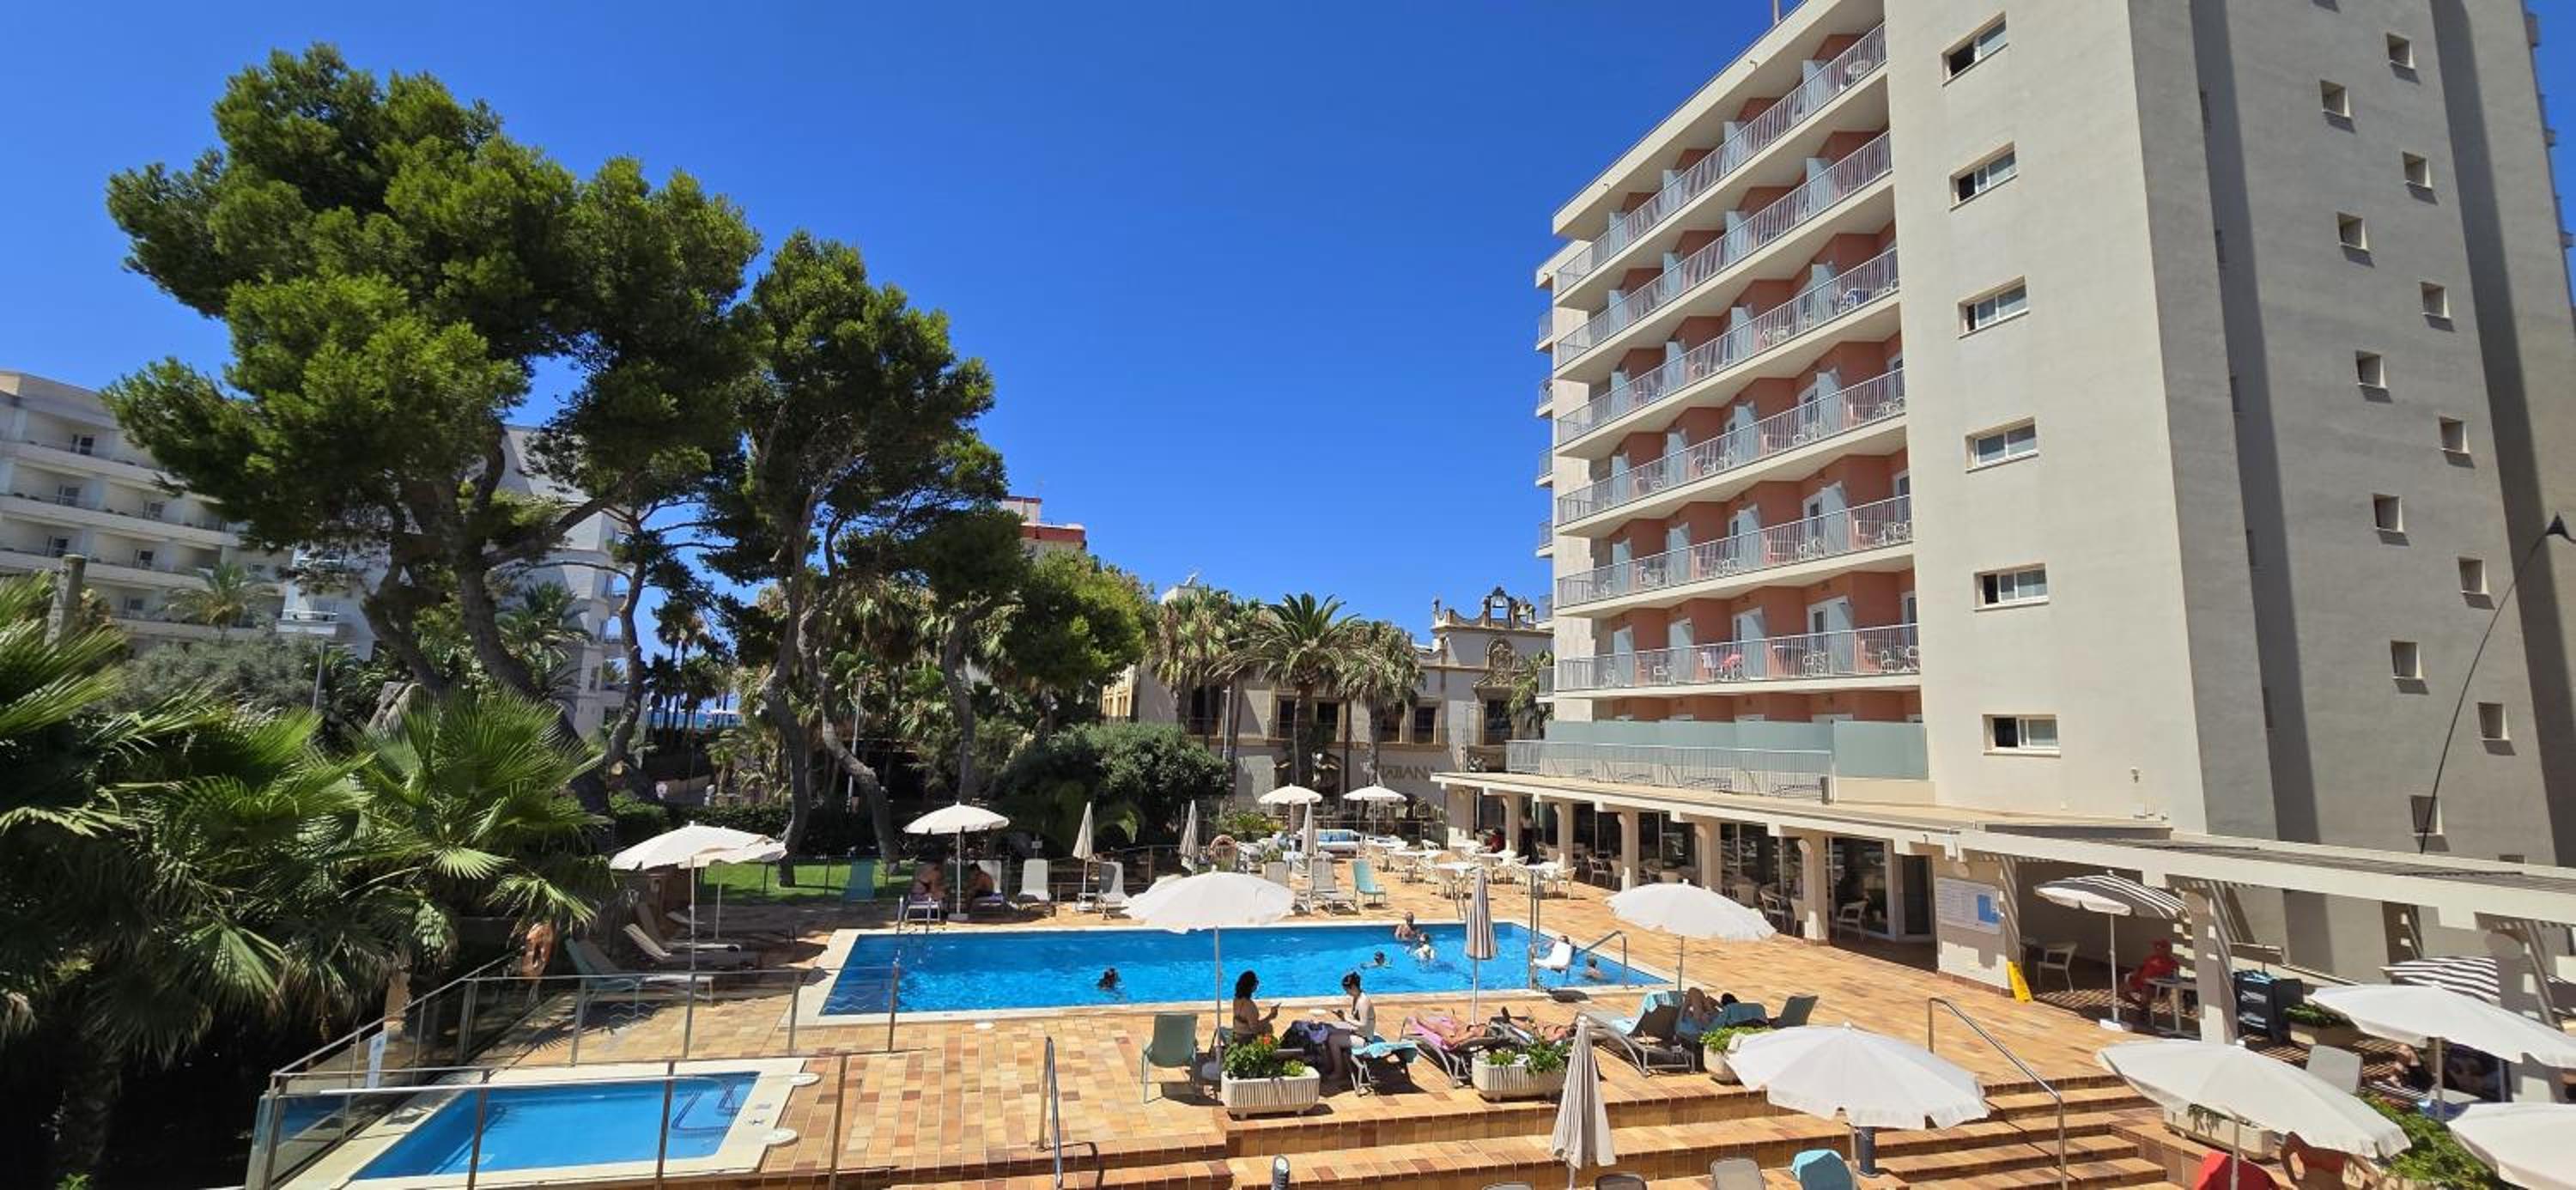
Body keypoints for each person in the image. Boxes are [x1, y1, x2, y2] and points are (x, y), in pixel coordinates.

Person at [1324, 971, 1377, 1084]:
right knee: (1329, 1030)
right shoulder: (1357, 997)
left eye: (1347, 990)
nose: (1346, 993)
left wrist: (1346, 1019)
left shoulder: (1363, 1001)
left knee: (1333, 1040)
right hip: (1357, 1032)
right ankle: (1330, 1063)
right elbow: (1355, 1018)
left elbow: (1363, 1024)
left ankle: (1339, 1072)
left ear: (1353, 987)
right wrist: (1342, 1016)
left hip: (1365, 1040)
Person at [2118, 939, 2180, 1012]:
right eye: (2156, 947)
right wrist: (2138, 969)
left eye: (2159, 947)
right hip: (2140, 982)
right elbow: (2143, 966)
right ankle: (2139, 1005)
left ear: (2167, 950)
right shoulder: (2152, 958)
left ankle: (2144, 1011)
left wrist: (2161, 978)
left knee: (2146, 992)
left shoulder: (2173, 963)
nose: (2156, 949)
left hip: (2155, 987)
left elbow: (2172, 977)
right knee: (2121, 990)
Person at [1231, 969, 1279, 1041]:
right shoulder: (1249, 1005)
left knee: (1268, 1026)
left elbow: (1245, 1022)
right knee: (1269, 1028)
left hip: (1237, 1034)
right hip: (1246, 1039)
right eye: (1256, 981)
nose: (1257, 984)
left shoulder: (1236, 1000)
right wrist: (1270, 1017)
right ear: (1250, 985)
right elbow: (1255, 1029)